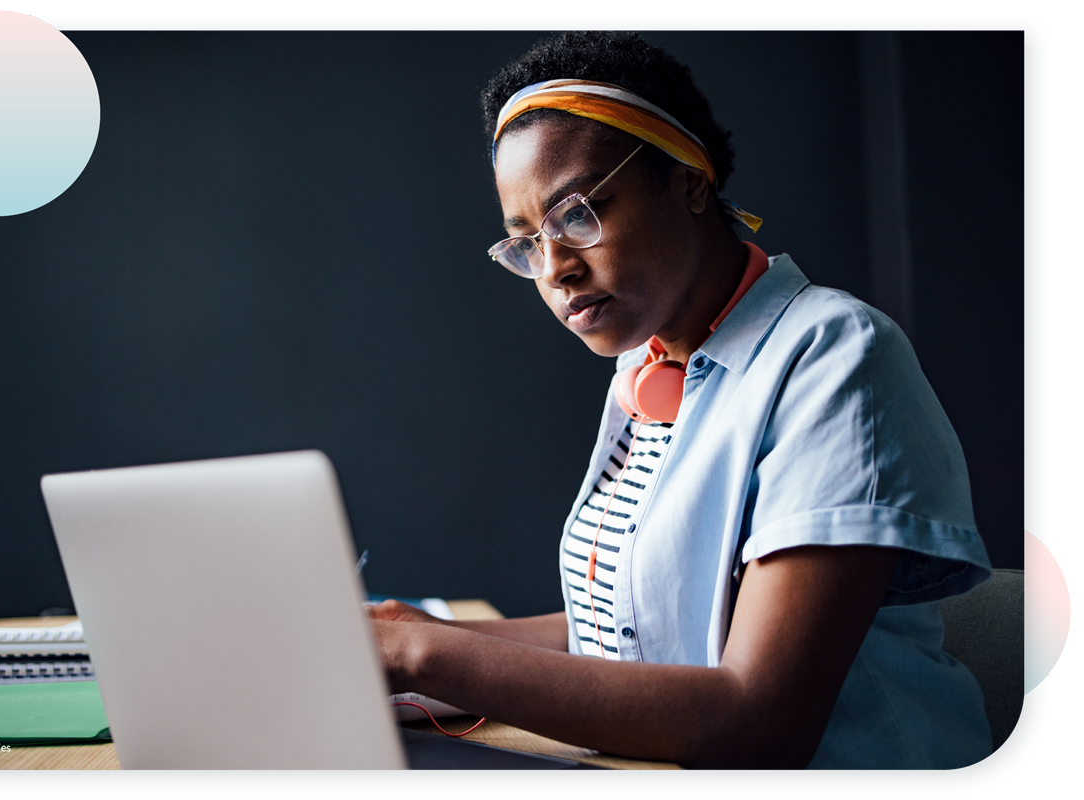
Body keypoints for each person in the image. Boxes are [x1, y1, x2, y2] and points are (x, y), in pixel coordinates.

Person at [368, 31, 993, 769]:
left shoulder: (834, 355)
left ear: (690, 180)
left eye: (579, 212)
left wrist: (419, 655)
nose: (557, 269)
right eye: (527, 241)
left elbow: (760, 720)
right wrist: (411, 630)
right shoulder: (652, 361)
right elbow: (639, 632)